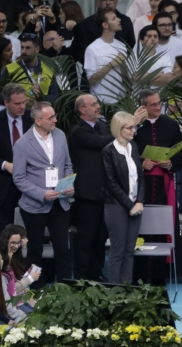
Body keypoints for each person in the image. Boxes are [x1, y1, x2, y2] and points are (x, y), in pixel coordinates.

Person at [12, 101, 75, 282]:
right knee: (35, 251)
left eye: (54, 116)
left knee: (63, 248)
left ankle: (66, 288)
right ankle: (35, 291)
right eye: (51, 118)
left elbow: (67, 165)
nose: (56, 120)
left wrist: (69, 184)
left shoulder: (61, 136)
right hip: (34, 206)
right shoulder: (22, 144)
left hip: (60, 202)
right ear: (38, 121)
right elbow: (19, 178)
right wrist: (41, 194)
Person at [133, 90, 182, 282]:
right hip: (142, 184)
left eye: (159, 103)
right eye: (153, 105)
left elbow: (181, 154)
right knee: (141, 225)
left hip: (164, 182)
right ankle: (140, 271)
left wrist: (170, 163)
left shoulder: (170, 124)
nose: (158, 107)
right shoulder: (134, 126)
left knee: (166, 224)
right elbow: (124, 149)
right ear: (143, 107)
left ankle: (165, 271)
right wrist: (141, 163)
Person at [69, 95, 118, 282]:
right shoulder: (78, 131)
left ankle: (96, 272)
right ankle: (81, 275)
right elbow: (102, 142)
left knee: (100, 237)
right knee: (85, 237)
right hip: (87, 194)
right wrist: (121, 131)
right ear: (82, 109)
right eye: (94, 104)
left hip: (105, 193)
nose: (99, 107)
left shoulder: (103, 127)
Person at [0, 84, 33, 232]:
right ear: (6, 102)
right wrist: (5, 165)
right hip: (4, 185)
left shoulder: (33, 118)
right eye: (17, 103)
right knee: (6, 232)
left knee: (30, 231)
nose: (22, 107)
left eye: (24, 102)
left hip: (30, 183)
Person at [101, 111, 145, 285]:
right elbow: (111, 184)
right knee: (118, 251)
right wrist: (129, 205)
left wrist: (140, 200)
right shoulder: (108, 151)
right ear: (120, 129)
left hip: (136, 204)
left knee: (129, 251)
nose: (134, 130)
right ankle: (114, 290)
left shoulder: (133, 146)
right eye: (130, 127)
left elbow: (141, 177)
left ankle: (127, 288)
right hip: (116, 206)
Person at [0, 33, 61, 101]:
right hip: (19, 110)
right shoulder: (10, 69)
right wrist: (21, 101)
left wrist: (42, 97)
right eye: (22, 47)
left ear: (37, 49)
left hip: (41, 110)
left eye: (28, 48)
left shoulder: (48, 68)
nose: (23, 51)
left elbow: (55, 97)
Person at [84, 7, 130, 103]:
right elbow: (91, 80)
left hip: (119, 100)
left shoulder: (122, 46)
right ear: (105, 25)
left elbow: (125, 77)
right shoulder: (92, 49)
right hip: (100, 101)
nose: (119, 20)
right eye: (114, 19)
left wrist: (123, 65)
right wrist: (111, 64)